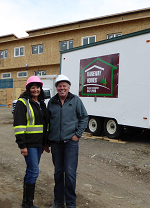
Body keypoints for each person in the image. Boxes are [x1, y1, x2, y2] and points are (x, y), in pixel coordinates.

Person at [45, 74, 89, 208]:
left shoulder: (75, 100)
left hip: (70, 143)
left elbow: (84, 117)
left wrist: (77, 135)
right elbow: (47, 123)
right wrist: (46, 141)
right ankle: (58, 202)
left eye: (64, 86)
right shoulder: (51, 103)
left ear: (68, 87)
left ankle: (70, 203)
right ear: (56, 88)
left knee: (69, 173)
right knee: (58, 172)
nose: (62, 88)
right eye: (59, 86)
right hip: (55, 144)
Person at [13, 76, 49, 208]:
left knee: (31, 171)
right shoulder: (23, 102)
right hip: (29, 144)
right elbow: (19, 125)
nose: (36, 90)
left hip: (39, 144)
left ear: (40, 88)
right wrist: (22, 145)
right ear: (28, 88)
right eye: (33, 87)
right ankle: (28, 204)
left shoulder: (41, 103)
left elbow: (45, 124)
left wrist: (45, 142)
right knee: (34, 171)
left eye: (37, 87)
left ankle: (26, 203)